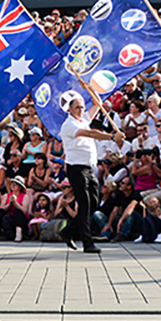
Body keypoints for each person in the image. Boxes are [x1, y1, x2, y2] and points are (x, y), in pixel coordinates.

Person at [59, 95, 124, 254]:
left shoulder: (84, 119)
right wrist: (111, 137)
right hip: (76, 168)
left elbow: (98, 103)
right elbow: (90, 134)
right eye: (77, 107)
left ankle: (68, 232)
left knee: (94, 204)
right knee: (85, 204)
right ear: (70, 109)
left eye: (82, 107)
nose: (81, 110)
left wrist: (91, 88)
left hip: (89, 168)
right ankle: (87, 243)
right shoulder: (69, 125)